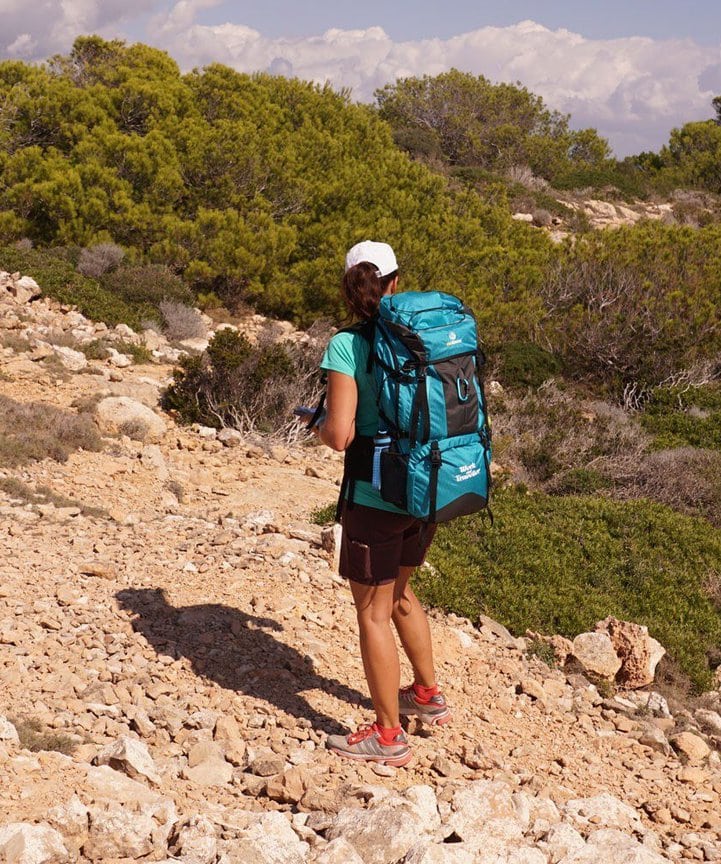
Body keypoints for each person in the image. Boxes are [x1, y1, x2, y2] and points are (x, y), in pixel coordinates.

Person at [312, 240, 450, 768]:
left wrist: (318, 424)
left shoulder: (347, 345)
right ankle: (427, 694)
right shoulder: (425, 336)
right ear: (396, 282)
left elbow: (340, 436)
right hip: (428, 489)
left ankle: (388, 736)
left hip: (374, 496)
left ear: (350, 288)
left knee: (372, 612)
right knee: (400, 595)